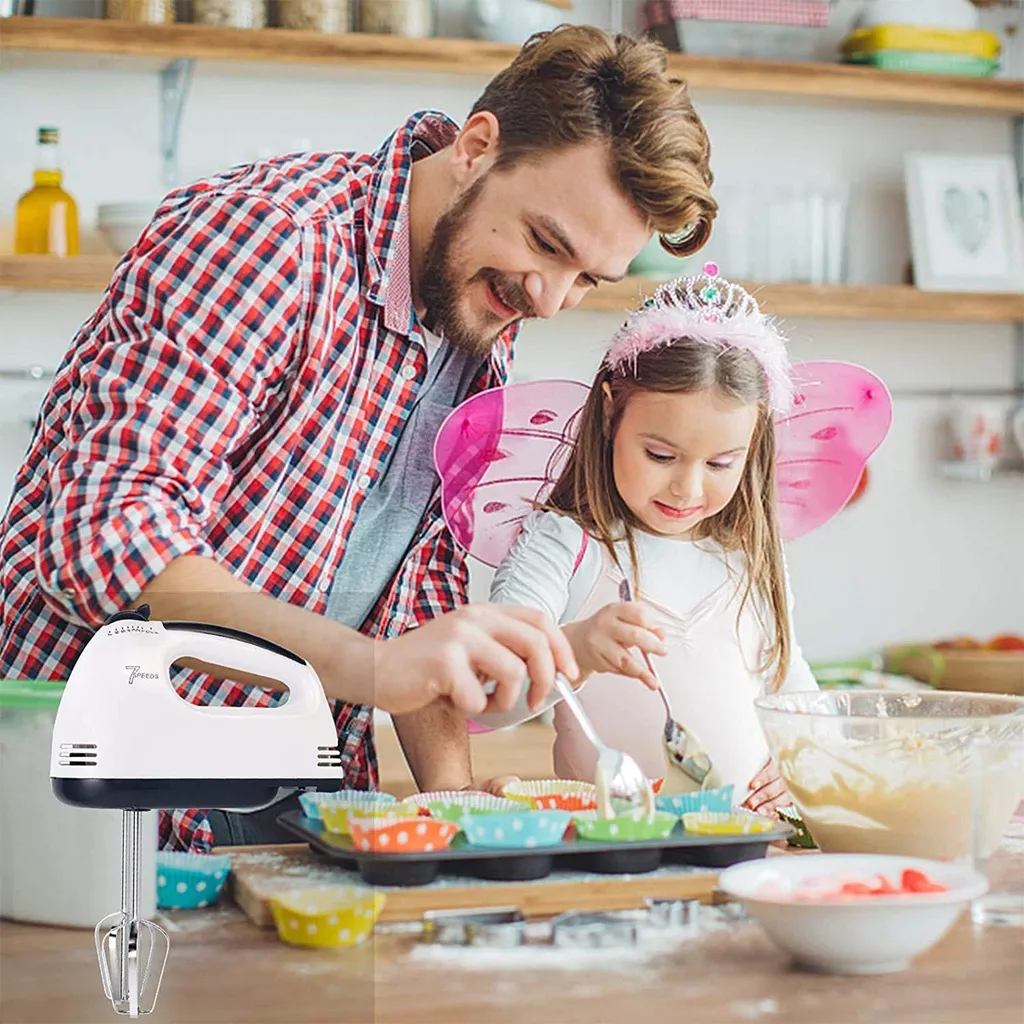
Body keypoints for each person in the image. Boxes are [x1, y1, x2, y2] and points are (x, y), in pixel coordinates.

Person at [0, 26, 717, 850]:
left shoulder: (480, 299)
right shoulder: (269, 241)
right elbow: (107, 530)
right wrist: (362, 664)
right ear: (477, 147)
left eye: (588, 278)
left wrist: (454, 804)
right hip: (107, 779)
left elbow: (420, 583)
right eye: (548, 245)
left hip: (297, 782)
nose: (551, 298)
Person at [476, 267, 819, 815]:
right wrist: (577, 651)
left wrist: (803, 757)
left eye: (721, 463)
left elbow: (792, 686)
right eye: (660, 455)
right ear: (611, 412)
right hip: (605, 846)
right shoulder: (565, 545)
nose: (687, 487)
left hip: (742, 839)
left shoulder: (749, 553)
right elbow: (489, 702)